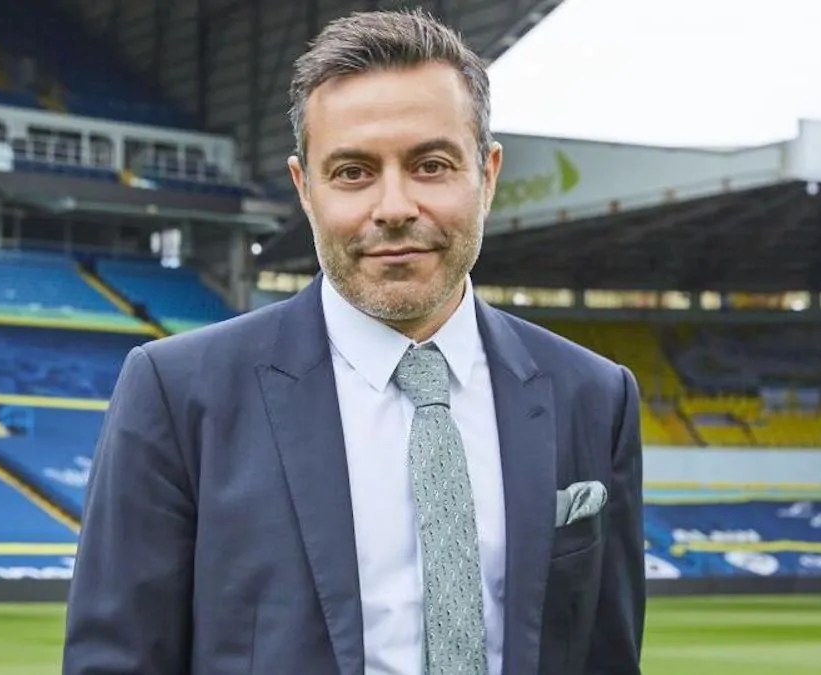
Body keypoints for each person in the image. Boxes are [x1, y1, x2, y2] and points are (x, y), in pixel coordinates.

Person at [62, 9, 644, 675]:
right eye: (352, 172)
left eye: (431, 165)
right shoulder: (178, 393)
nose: (393, 207)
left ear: (487, 175)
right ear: (304, 189)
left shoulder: (594, 397)